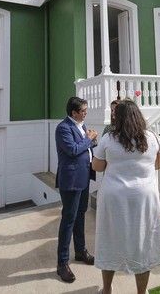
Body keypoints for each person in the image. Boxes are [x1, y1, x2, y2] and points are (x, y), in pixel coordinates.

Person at [92, 99, 160, 294]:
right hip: (144, 197)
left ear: (119, 117)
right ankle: (141, 292)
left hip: (114, 197)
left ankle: (107, 289)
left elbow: (97, 166)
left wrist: (116, 164)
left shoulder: (109, 138)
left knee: (109, 240)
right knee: (143, 242)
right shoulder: (152, 137)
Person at [55, 97, 98, 283]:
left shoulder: (81, 124)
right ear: (73, 112)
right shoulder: (63, 128)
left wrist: (92, 140)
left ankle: (80, 252)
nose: (85, 113)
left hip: (84, 177)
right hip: (71, 180)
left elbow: (84, 148)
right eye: (83, 111)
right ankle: (62, 264)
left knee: (81, 214)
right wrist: (88, 139)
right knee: (68, 220)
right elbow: (72, 149)